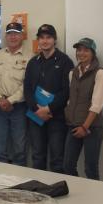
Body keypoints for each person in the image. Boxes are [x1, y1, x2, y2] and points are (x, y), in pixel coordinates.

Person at [24, 24, 74, 173]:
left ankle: (55, 192)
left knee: (57, 160)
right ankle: (38, 193)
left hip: (56, 117)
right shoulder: (33, 62)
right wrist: (36, 109)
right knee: (38, 157)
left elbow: (66, 91)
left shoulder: (65, 61)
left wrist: (48, 108)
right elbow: (27, 89)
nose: (45, 41)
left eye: (48, 38)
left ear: (54, 40)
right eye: (42, 38)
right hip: (35, 116)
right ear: (38, 40)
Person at [0, 22, 32, 166]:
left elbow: (28, 85)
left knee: (19, 149)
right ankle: (0, 181)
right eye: (10, 33)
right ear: (6, 36)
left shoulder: (30, 57)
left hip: (19, 108)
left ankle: (20, 183)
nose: (13, 37)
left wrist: (10, 101)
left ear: (22, 36)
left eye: (16, 33)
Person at [63, 38, 103, 180]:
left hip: (92, 127)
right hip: (73, 125)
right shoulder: (73, 73)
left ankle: (95, 199)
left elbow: (97, 104)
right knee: (68, 166)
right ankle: (79, 194)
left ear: (93, 53)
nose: (81, 53)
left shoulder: (100, 73)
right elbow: (72, 99)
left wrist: (84, 127)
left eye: (86, 50)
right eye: (79, 50)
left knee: (90, 167)